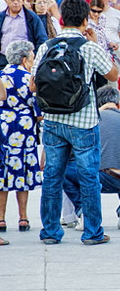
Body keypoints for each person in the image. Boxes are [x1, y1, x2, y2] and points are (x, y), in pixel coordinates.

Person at [32, 0, 119, 245]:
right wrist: (95, 43)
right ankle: (92, 232)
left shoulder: (46, 47)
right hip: (84, 120)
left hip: (53, 120)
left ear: (61, 19)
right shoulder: (88, 47)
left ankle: (50, 232)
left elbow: (34, 84)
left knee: (52, 175)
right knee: (88, 176)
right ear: (85, 20)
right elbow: (113, 74)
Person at [63, 86, 120, 230]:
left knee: (63, 172)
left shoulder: (92, 120)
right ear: (118, 104)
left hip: (106, 178)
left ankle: (83, 212)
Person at [0, 41, 40, 237]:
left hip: (4, 126)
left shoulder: (1, 75)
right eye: (32, 58)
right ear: (24, 60)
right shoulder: (29, 78)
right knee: (21, 170)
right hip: (24, 127)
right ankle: (23, 217)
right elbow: (38, 108)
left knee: (3, 171)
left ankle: (1, 218)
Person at [0, 0, 47, 68]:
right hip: (3, 60)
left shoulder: (32, 18)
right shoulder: (1, 17)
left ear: (22, 1)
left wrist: (33, 57)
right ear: (6, 1)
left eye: (18, 0)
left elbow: (42, 39)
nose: (16, 2)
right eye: (12, 0)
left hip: (24, 62)